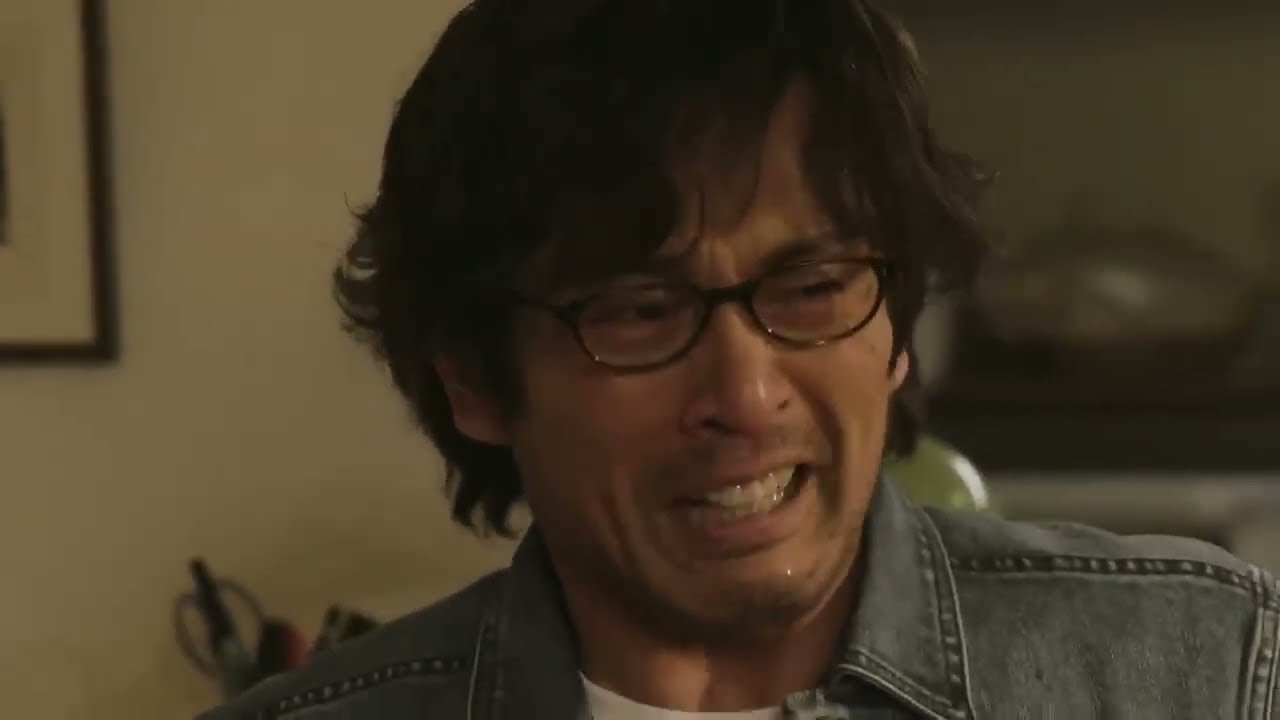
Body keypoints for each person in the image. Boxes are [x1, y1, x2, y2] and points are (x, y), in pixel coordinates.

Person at [203, 1, 1280, 717]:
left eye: (812, 288)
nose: (747, 396)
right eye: (639, 311)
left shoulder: (1204, 673)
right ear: (475, 379)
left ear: (897, 329)